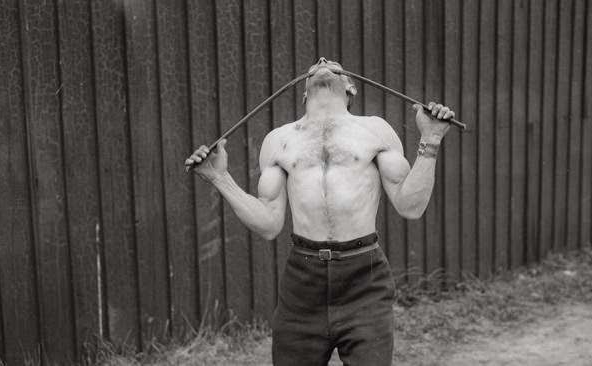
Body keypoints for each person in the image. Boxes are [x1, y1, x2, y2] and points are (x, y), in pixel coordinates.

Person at [185, 57, 454, 366]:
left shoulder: (375, 130)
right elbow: (269, 225)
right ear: (304, 91)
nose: (323, 60)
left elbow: (411, 206)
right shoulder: (279, 140)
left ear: (350, 87)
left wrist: (430, 141)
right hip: (303, 283)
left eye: (333, 63)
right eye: (317, 63)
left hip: (363, 279)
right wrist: (220, 177)